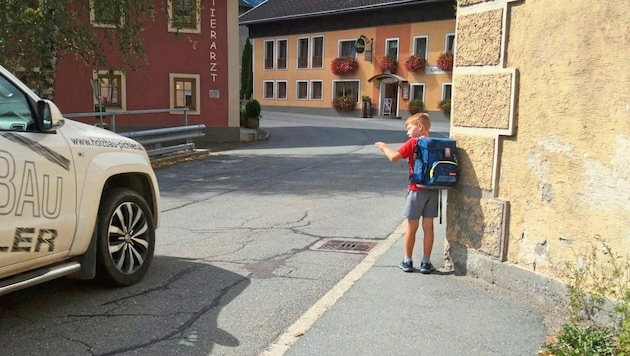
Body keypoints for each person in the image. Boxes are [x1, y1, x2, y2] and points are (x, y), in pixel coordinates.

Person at [375, 112, 438, 274]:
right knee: (428, 227)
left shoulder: (414, 142)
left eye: (409, 128)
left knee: (411, 226)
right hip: (433, 189)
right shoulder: (436, 143)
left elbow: (394, 157)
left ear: (419, 126)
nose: (407, 132)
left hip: (416, 189)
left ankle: (407, 260)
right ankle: (426, 262)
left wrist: (385, 148)